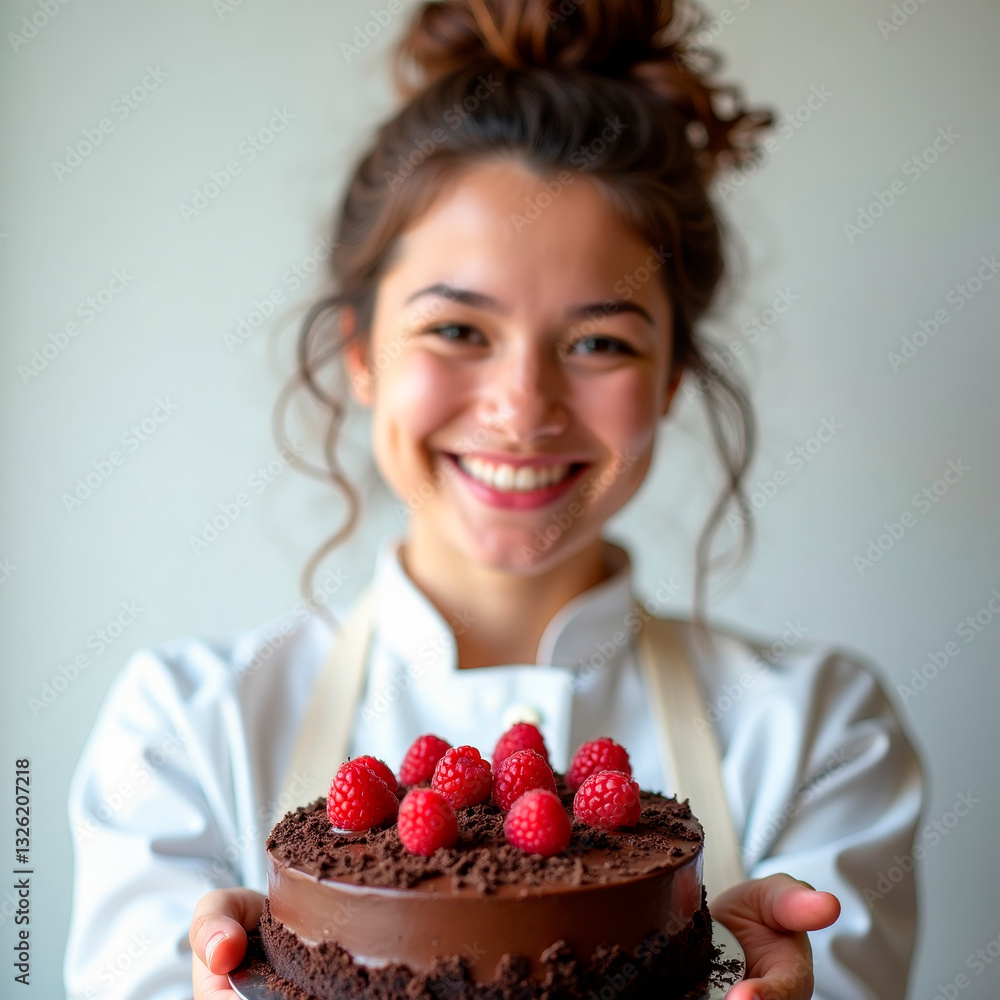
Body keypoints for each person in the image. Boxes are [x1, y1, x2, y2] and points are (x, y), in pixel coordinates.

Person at [64, 2, 923, 999]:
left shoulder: (821, 728)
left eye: (599, 341)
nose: (522, 409)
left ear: (672, 377)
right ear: (358, 352)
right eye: (457, 331)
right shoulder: (178, 727)